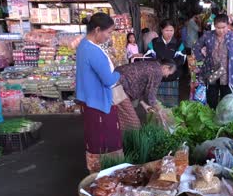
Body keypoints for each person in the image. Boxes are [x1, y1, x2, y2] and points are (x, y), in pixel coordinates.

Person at [75, 13, 121, 173]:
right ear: (97, 30)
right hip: (98, 103)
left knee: (94, 139)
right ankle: (107, 175)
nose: (109, 37)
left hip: (89, 100)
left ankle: (96, 175)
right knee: (106, 141)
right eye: (108, 32)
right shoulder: (92, 50)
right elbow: (109, 80)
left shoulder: (83, 45)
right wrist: (119, 73)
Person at [193, 14, 233, 109]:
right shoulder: (208, 35)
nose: (220, 30)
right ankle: (212, 115)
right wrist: (202, 60)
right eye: (218, 28)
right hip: (213, 70)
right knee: (212, 97)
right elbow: (196, 47)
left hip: (227, 72)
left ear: (228, 25)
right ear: (214, 26)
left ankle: (223, 119)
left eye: (223, 27)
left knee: (226, 99)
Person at [115, 59, 177, 130]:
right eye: (169, 73)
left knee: (118, 116)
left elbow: (141, 87)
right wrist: (159, 109)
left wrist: (145, 105)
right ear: (166, 67)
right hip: (118, 86)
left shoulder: (153, 65)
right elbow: (151, 93)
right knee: (133, 124)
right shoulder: (157, 72)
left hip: (118, 82)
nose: (167, 76)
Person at [147, 19, 186, 107]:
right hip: (157, 78)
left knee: (172, 103)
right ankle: (157, 119)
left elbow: (181, 59)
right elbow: (148, 56)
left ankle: (170, 119)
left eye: (171, 30)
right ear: (161, 30)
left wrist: (169, 68)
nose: (169, 33)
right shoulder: (154, 42)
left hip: (173, 77)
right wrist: (160, 67)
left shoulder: (178, 43)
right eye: (166, 30)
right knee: (157, 104)